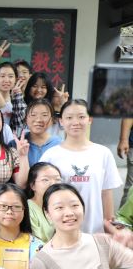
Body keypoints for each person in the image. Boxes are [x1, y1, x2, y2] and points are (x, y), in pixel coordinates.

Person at [40, 99, 122, 233]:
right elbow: (42, 194)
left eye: (81, 117)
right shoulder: (50, 155)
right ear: (61, 121)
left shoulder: (103, 153)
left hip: (95, 230)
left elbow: (106, 193)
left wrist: (109, 225)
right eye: (69, 117)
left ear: (90, 119)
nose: (75, 122)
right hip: (61, 231)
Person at [25, 162, 63, 243]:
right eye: (45, 180)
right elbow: (34, 242)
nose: (53, 184)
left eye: (57, 179)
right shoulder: (27, 208)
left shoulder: (60, 206)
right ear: (32, 185)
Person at [20, 99, 62, 166]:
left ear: (52, 120)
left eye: (44, 115)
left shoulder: (60, 144)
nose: (38, 120)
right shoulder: (16, 144)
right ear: (26, 118)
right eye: (33, 115)